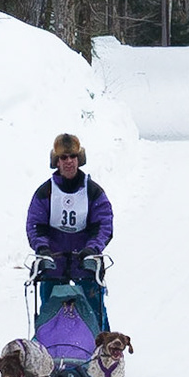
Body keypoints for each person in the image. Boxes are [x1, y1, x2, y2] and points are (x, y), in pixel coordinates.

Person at [25, 133, 113, 328]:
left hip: (85, 261)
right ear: (56, 162)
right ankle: (47, 352)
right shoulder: (45, 192)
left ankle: (104, 351)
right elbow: (35, 225)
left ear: (79, 159)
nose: (68, 161)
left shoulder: (93, 191)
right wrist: (42, 249)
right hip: (54, 263)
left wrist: (93, 248)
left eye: (72, 157)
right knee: (48, 312)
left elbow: (104, 224)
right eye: (63, 158)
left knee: (95, 311)